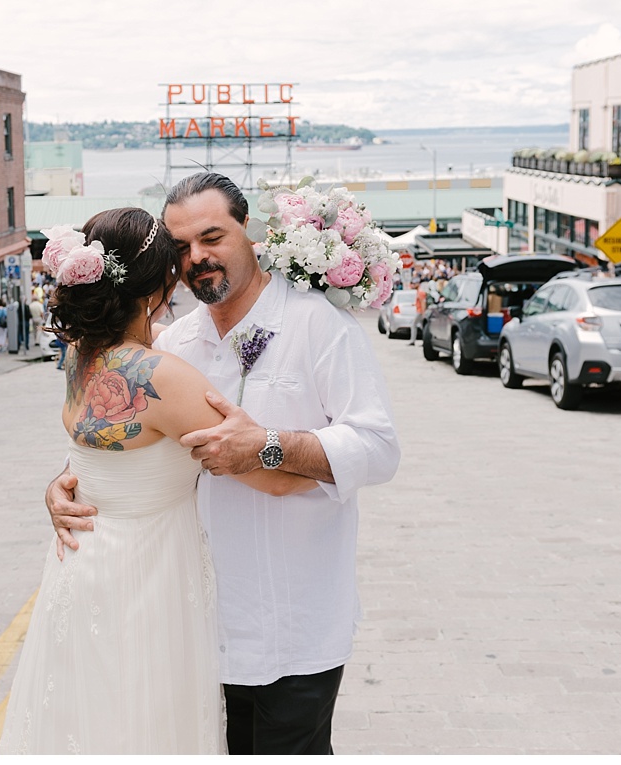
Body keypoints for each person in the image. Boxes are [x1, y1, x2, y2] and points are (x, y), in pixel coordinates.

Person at [45, 173, 400, 754]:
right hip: (192, 624)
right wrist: (65, 480)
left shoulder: (318, 326)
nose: (197, 258)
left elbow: (379, 448)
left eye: (212, 237)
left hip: (294, 618)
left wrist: (268, 444)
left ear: (252, 233)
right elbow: (123, 430)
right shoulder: (174, 344)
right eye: (180, 247)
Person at [1, 206, 324, 754]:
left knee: (89, 721)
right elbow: (277, 478)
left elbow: (98, 454)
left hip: (82, 567)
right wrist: (330, 455)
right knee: (144, 723)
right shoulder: (163, 377)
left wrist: (58, 484)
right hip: (148, 577)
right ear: (160, 284)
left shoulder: (78, 357)